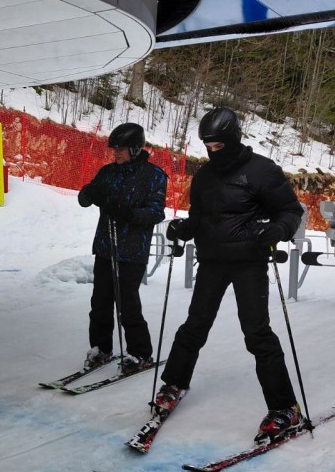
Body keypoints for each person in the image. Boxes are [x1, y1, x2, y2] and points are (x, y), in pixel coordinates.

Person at [159, 107, 305, 445]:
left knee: (257, 332)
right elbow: (200, 217)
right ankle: (174, 383)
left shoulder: (262, 170)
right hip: (212, 260)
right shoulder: (205, 176)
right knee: (195, 325)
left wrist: (279, 229)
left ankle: (284, 407)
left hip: (249, 261)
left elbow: (290, 210)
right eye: (207, 146)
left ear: (233, 138)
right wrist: (184, 229)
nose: (212, 151)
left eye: (218, 145)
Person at [77, 122, 167, 374]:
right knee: (100, 303)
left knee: (128, 305)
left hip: (132, 251)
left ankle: (140, 353)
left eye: (121, 149)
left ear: (135, 149)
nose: (115, 153)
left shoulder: (154, 176)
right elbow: (85, 198)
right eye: (114, 148)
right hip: (106, 247)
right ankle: (101, 348)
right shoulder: (108, 172)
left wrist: (127, 213)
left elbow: (156, 213)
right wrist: (89, 193)